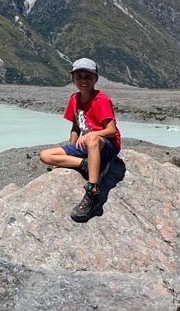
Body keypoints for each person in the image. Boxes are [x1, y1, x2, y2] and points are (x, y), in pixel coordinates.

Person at [39, 58, 121, 222]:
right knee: (45, 156)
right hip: (88, 146)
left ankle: (93, 191)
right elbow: (75, 128)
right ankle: (85, 164)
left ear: (96, 79)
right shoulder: (74, 99)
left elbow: (111, 131)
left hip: (107, 146)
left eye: (88, 77)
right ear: (73, 79)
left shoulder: (101, 100)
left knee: (91, 139)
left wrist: (94, 135)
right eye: (79, 77)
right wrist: (71, 156)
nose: (83, 81)